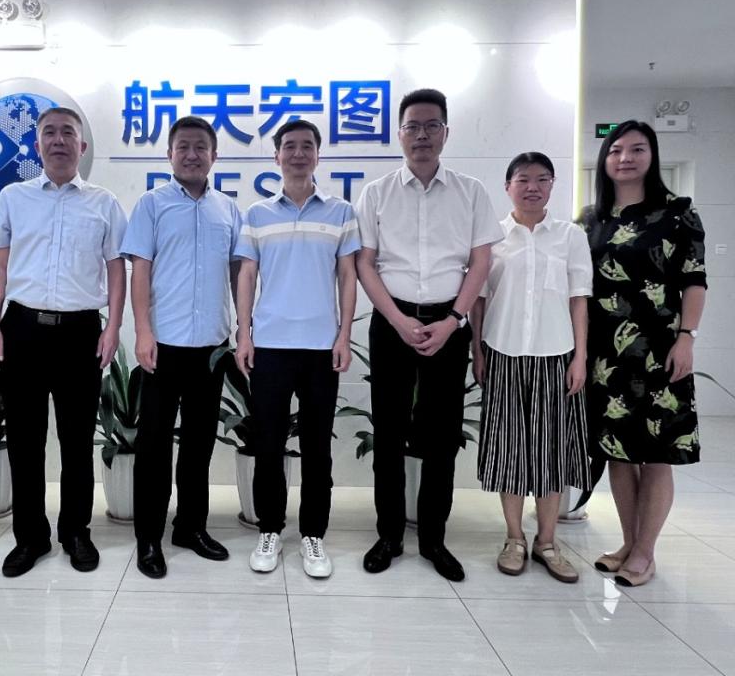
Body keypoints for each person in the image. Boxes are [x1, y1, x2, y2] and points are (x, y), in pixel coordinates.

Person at [355, 88, 501, 582]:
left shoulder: (471, 191)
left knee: (442, 436)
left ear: (445, 132)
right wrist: (398, 320)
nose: (422, 135)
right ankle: (389, 535)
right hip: (391, 321)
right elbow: (365, 263)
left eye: (431, 125)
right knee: (388, 432)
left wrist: (454, 320)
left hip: (448, 323)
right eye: (412, 126)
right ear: (399, 134)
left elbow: (481, 261)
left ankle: (434, 539)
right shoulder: (376, 193)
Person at [0, 106, 127, 578]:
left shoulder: (104, 202)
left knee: (77, 439)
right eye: (49, 133)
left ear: (82, 146)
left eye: (67, 133)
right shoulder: (14, 198)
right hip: (22, 328)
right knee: (24, 440)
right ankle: (30, 537)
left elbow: (116, 268)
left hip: (81, 332)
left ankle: (76, 531)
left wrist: (113, 326)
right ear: (37, 144)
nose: (58, 140)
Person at [579, 120, 707, 587]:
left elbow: (695, 280)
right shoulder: (590, 219)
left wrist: (687, 336)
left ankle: (645, 552)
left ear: (652, 156)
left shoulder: (677, 213)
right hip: (605, 354)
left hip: (660, 350)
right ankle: (629, 543)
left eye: (637, 149)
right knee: (618, 452)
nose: (625, 158)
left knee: (656, 454)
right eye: (616, 150)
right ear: (605, 160)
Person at [235, 119, 359, 579]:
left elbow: (348, 276)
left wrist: (344, 335)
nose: (298, 153)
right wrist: (244, 333)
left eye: (307, 146)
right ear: (277, 156)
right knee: (268, 444)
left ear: (318, 155)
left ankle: (313, 535)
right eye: (290, 146)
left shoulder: (341, 212)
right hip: (270, 346)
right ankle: (270, 528)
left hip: (321, 348)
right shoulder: (257, 214)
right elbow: (247, 275)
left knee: (317, 447)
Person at [121, 116, 242, 579]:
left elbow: (238, 274)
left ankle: (190, 527)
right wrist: (142, 331)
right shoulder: (152, 205)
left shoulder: (228, 210)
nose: (192, 154)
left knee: (199, 444)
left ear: (214, 155)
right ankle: (149, 537)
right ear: (169, 154)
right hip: (163, 345)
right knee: (153, 446)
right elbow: (141, 271)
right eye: (183, 146)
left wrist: (243, 328)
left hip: (211, 347)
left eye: (200, 147)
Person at [470, 152, 593, 583]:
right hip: (502, 353)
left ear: (552, 185)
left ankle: (547, 542)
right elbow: (479, 301)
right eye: (523, 179)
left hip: (556, 354)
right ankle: (513, 538)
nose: (532, 187)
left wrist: (580, 357)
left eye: (542, 179)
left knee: (552, 451)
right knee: (509, 450)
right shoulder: (492, 237)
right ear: (508, 186)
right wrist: (478, 351)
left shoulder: (570, 236)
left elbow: (579, 300)